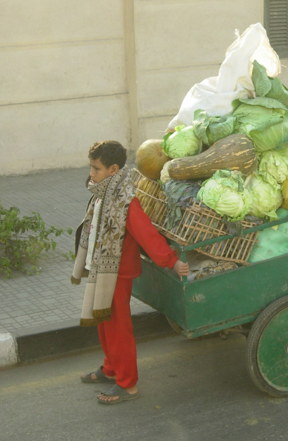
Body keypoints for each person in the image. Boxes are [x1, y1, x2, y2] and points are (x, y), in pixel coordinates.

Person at [71, 140, 189, 404]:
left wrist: (171, 261)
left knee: (117, 328)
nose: (91, 173)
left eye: (96, 169)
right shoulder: (105, 191)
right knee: (103, 322)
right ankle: (111, 370)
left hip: (117, 274)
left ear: (113, 169)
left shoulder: (125, 201)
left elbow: (147, 235)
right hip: (101, 267)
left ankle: (128, 384)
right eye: (91, 167)